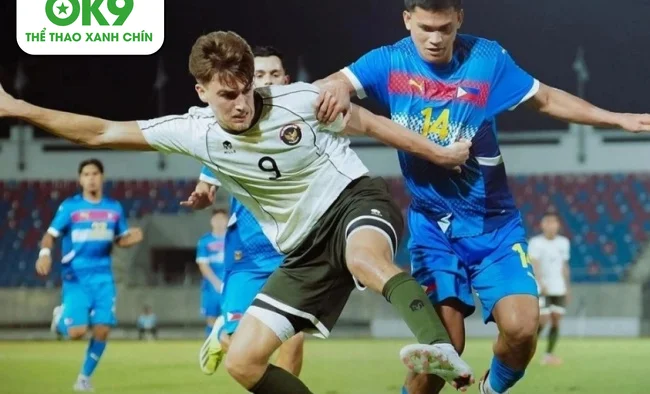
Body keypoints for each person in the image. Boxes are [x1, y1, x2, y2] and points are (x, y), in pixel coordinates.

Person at [0, 30, 476, 394]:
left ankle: (437, 346)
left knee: (364, 258)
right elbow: (100, 132)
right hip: (302, 248)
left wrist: (439, 153)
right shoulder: (194, 132)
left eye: (247, 89)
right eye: (227, 95)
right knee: (242, 361)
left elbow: (371, 123)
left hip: (355, 200)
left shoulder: (300, 100)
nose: (243, 103)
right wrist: (19, 108)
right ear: (202, 91)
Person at [313, 0, 650, 393]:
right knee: (444, 349)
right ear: (407, 20)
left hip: (494, 224)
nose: (435, 39)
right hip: (434, 227)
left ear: (459, 18)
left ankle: (492, 389)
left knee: (522, 328)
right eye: (425, 28)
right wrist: (336, 87)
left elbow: (546, 98)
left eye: (445, 28)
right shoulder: (389, 62)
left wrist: (615, 118)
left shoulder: (487, 60)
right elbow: (330, 85)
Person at [191, 45, 304, 379]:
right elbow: (207, 181)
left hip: (293, 252)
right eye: (260, 75)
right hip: (248, 251)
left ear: (286, 80)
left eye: (274, 74)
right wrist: (203, 191)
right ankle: (221, 334)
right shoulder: (231, 131)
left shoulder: (305, 128)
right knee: (242, 345)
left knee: (294, 340)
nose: (268, 80)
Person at [37, 158, 144, 392]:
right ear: (80, 179)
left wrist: (130, 240)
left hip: (103, 277)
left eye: (95, 173)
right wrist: (44, 254)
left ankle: (83, 379)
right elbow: (50, 235)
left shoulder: (114, 208)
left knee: (102, 329)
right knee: (76, 333)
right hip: (76, 277)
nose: (91, 178)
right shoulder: (71, 207)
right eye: (86, 174)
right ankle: (60, 318)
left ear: (102, 177)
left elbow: (119, 239)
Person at [529, 211, 571, 366]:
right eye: (548, 222)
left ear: (558, 225)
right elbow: (534, 264)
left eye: (554, 222)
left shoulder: (563, 242)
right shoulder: (535, 243)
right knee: (542, 320)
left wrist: (567, 287)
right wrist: (541, 283)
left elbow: (564, 265)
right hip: (542, 288)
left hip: (558, 288)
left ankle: (548, 355)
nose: (551, 225)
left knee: (556, 321)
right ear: (542, 225)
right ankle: (527, 349)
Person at [196, 209, 227, 336]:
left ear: (227, 221)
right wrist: (216, 283)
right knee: (211, 319)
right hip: (211, 287)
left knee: (232, 317)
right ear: (211, 221)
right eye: (216, 219)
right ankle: (212, 345)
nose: (219, 222)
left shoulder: (234, 239)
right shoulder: (205, 241)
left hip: (231, 285)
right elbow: (203, 264)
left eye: (222, 219)